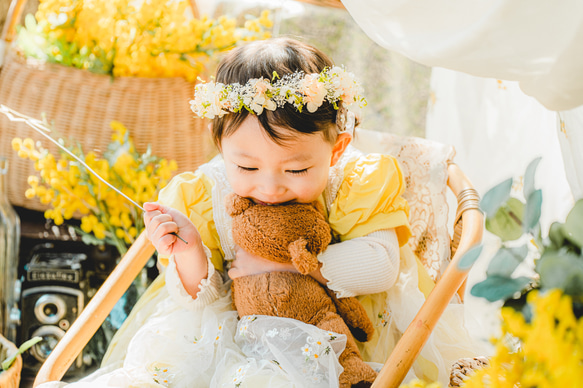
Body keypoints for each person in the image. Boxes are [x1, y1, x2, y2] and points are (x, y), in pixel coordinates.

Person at [39, 37, 484, 388]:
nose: (270, 186)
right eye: (247, 166)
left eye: (297, 168)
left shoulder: (353, 181)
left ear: (337, 149)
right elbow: (206, 299)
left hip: (337, 340)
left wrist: (285, 264)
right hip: (232, 335)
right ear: (222, 150)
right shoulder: (209, 193)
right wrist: (190, 254)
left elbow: (381, 267)